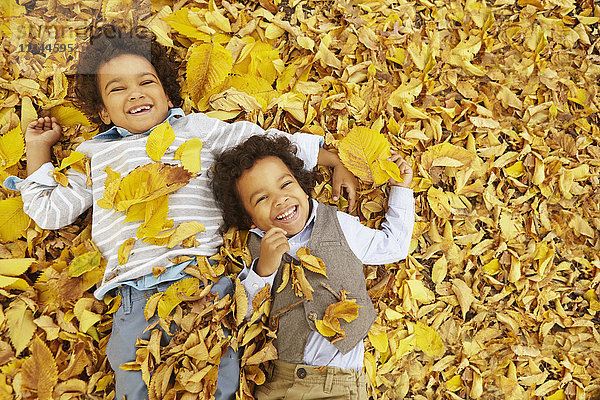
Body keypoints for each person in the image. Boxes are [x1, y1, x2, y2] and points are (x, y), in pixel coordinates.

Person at [4, 25, 358, 400]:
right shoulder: (95, 154)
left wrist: (330, 159)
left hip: (205, 286)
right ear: (104, 113)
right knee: (133, 386)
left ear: (166, 92)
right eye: (117, 89)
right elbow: (49, 211)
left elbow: (258, 142)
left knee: (216, 385)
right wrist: (38, 148)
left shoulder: (195, 129)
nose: (136, 93)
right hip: (135, 296)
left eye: (146, 82)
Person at [210, 135, 414, 399]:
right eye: (262, 199)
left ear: (302, 185)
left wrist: (401, 188)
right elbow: (245, 317)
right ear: (249, 220)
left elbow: (393, 246)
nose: (280, 200)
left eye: (286, 184)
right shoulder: (251, 249)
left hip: (339, 385)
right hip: (279, 383)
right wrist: (264, 271)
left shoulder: (338, 224)